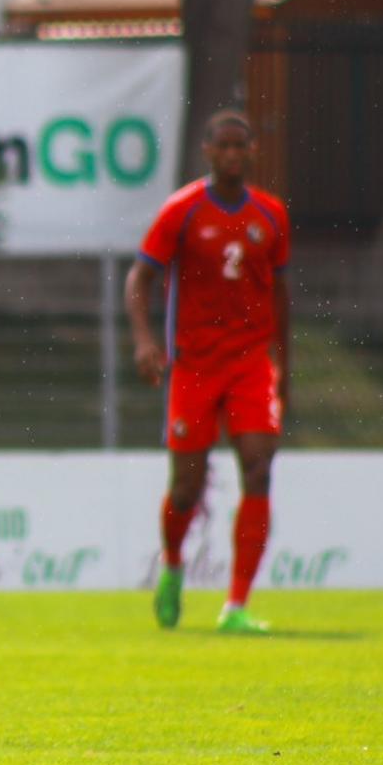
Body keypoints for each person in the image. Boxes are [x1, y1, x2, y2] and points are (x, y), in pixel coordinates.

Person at [125, 110, 291, 635]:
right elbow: (140, 277)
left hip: (250, 363)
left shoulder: (271, 215)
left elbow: (280, 293)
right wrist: (145, 340)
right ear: (207, 150)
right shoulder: (182, 210)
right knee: (186, 491)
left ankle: (236, 606)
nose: (233, 154)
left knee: (259, 467)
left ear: (252, 151)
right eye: (224, 145)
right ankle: (173, 566)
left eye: (241, 145)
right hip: (194, 366)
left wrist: (284, 363)